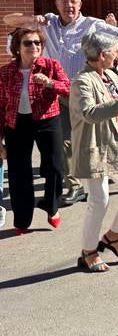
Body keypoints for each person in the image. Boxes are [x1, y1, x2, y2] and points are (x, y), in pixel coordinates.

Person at [4, 0, 118, 206]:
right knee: (64, 140)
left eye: (73, 1)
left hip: (84, 89)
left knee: (95, 134)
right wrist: (32, 19)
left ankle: (102, 173)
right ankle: (74, 185)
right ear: (57, 4)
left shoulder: (92, 24)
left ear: (80, 4)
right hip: (54, 90)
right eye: (64, 1)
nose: (68, 5)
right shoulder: (47, 22)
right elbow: (9, 20)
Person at [70, 33, 118, 273]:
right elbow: (89, 113)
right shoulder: (82, 81)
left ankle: (113, 236)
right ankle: (88, 252)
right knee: (99, 200)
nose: (117, 55)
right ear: (102, 55)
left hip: (116, 145)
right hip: (94, 147)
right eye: (114, 52)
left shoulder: (111, 75)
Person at [0, 28, 70, 235]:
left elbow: (68, 88)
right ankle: (22, 220)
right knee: (18, 173)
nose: (34, 47)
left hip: (48, 120)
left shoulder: (50, 65)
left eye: (37, 43)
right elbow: (1, 105)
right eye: (28, 43)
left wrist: (50, 83)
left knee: (55, 167)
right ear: (17, 47)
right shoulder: (5, 72)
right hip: (16, 123)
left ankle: (51, 205)